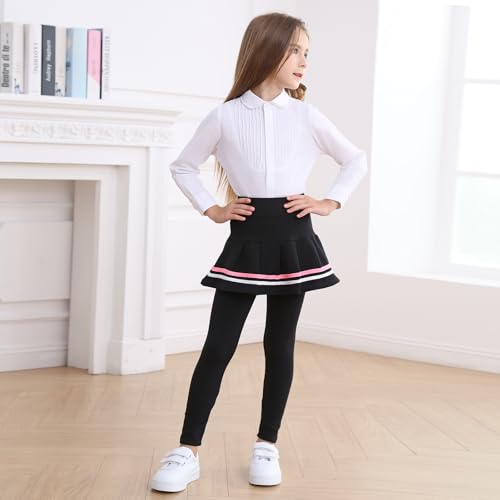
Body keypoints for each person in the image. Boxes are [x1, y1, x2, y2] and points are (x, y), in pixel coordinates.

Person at [150, 11, 368, 493]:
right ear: (267, 50)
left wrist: (329, 201)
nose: (303, 61)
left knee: (279, 344)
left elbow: (355, 159)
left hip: (294, 240)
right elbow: (183, 166)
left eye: (307, 52)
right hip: (246, 240)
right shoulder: (225, 116)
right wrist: (212, 208)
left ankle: (267, 443)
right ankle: (187, 450)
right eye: (294, 50)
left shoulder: (307, 116)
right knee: (218, 346)